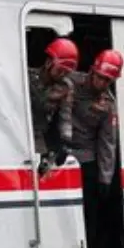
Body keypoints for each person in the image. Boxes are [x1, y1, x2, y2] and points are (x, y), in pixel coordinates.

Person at [69, 49, 123, 248]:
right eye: (100, 77)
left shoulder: (108, 104)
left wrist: (105, 177)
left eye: (107, 80)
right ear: (92, 71)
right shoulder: (70, 81)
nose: (102, 83)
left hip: (86, 156)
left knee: (90, 206)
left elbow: (107, 142)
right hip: (59, 151)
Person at [28, 38, 79, 177]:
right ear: (49, 62)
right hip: (22, 134)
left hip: (41, 139)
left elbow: (66, 117)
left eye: (67, 72)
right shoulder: (27, 78)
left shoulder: (65, 87)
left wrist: (66, 142)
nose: (63, 75)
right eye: (60, 70)